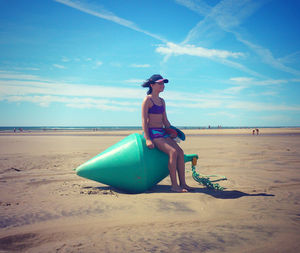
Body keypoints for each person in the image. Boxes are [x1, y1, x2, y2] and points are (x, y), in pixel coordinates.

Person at [141, 74, 193, 193]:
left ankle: (183, 184)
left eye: (163, 83)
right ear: (152, 85)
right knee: (173, 152)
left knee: (180, 152)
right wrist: (148, 138)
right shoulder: (147, 100)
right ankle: (174, 185)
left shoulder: (162, 101)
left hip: (162, 132)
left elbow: (165, 120)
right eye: (160, 83)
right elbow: (144, 120)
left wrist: (173, 131)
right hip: (153, 133)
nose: (163, 86)